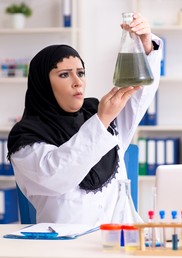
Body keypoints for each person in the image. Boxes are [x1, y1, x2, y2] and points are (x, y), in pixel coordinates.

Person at [7, 13, 162, 226]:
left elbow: (137, 94)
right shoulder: (25, 138)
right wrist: (101, 121)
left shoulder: (96, 113)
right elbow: (56, 177)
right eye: (64, 74)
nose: (77, 82)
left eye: (80, 73)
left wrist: (144, 47)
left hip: (122, 242)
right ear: (43, 84)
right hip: (67, 250)